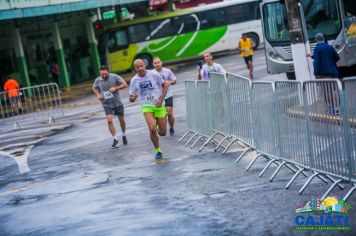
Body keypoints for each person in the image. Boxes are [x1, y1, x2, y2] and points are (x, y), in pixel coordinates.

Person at [129, 59, 168, 160]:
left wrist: (160, 99)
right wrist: (132, 98)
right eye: (138, 67)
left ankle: (161, 122)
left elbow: (165, 85)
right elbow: (131, 97)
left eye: (141, 66)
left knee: (163, 133)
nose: (140, 68)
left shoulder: (153, 74)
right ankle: (158, 150)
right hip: (147, 106)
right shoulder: (134, 80)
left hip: (158, 105)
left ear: (144, 65)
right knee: (152, 129)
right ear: (135, 68)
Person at [93, 65, 128, 148]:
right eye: (102, 75)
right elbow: (94, 88)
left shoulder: (114, 77)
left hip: (117, 102)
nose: (104, 76)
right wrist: (98, 95)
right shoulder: (98, 80)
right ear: (100, 73)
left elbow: (125, 85)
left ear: (108, 71)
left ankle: (123, 134)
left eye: (105, 74)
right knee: (109, 120)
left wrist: (116, 88)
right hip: (106, 103)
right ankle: (115, 139)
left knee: (121, 120)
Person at [313, 33, 340, 115]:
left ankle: (331, 108)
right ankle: (337, 108)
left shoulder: (317, 49)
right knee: (334, 91)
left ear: (316, 40)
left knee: (326, 92)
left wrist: (316, 73)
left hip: (323, 74)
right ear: (324, 39)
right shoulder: (330, 47)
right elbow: (337, 58)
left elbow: (316, 62)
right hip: (334, 73)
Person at [153, 57, 176, 136]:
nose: (157, 64)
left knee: (169, 113)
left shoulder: (167, 71)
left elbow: (174, 80)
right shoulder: (152, 73)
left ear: (161, 62)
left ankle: (171, 127)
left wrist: (168, 82)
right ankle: (161, 125)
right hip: (158, 98)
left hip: (168, 95)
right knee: (163, 115)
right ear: (153, 64)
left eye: (158, 62)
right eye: (155, 63)